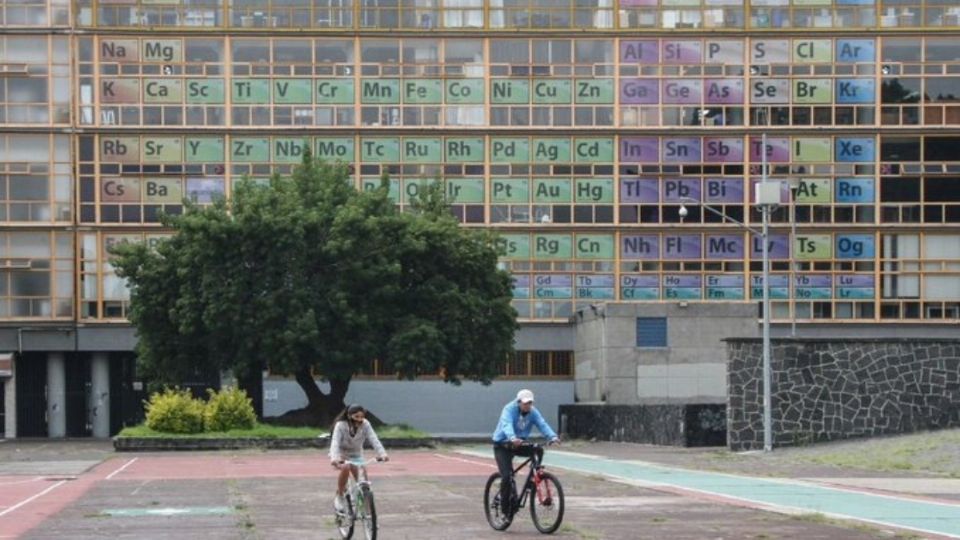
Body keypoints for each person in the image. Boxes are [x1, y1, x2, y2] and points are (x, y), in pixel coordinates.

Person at [491, 389, 560, 515]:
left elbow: (542, 424)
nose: (527, 406)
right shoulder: (509, 409)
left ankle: (534, 477)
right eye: (524, 403)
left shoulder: (533, 412)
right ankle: (505, 509)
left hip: (519, 443)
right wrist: (512, 437)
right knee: (506, 476)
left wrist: (552, 437)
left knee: (538, 450)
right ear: (518, 402)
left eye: (530, 403)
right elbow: (507, 424)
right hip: (503, 444)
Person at [329, 404, 389, 513]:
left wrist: (382, 454)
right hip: (342, 454)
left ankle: (368, 512)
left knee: (363, 481)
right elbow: (335, 442)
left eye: (362, 417)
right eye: (356, 417)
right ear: (349, 416)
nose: (359, 420)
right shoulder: (340, 425)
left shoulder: (366, 424)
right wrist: (334, 458)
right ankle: (340, 495)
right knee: (346, 467)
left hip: (356, 454)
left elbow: (374, 439)